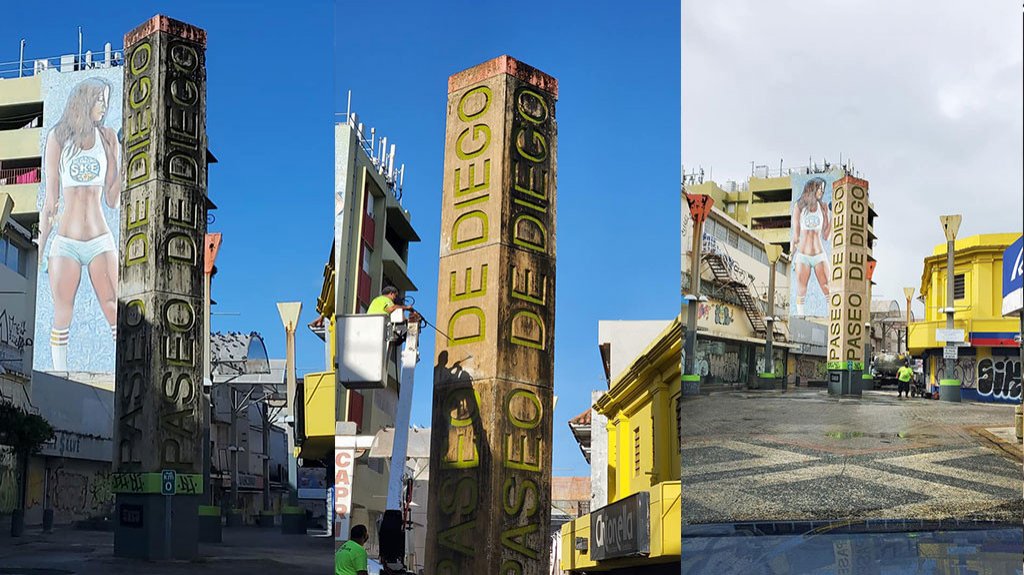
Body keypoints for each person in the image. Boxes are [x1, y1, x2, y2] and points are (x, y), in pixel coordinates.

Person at [36, 77, 120, 371]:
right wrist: (39, 249)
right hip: (66, 242)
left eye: (107, 100)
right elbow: (51, 202)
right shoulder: (58, 138)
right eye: (100, 99)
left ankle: (126, 377)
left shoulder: (108, 137)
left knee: (113, 306)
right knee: (63, 313)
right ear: (84, 101)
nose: (104, 106)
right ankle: (59, 378)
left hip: (100, 238)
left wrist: (122, 160)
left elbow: (112, 199)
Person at [791, 177, 831, 316]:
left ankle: (832, 318)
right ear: (813, 188)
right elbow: (796, 235)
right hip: (803, 255)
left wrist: (832, 217)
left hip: (819, 254)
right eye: (820, 189)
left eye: (823, 190)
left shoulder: (823, 207)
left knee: (827, 287)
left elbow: (826, 235)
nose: (822, 192)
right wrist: (791, 255)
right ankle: (800, 317)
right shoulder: (799, 207)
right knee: (801, 290)